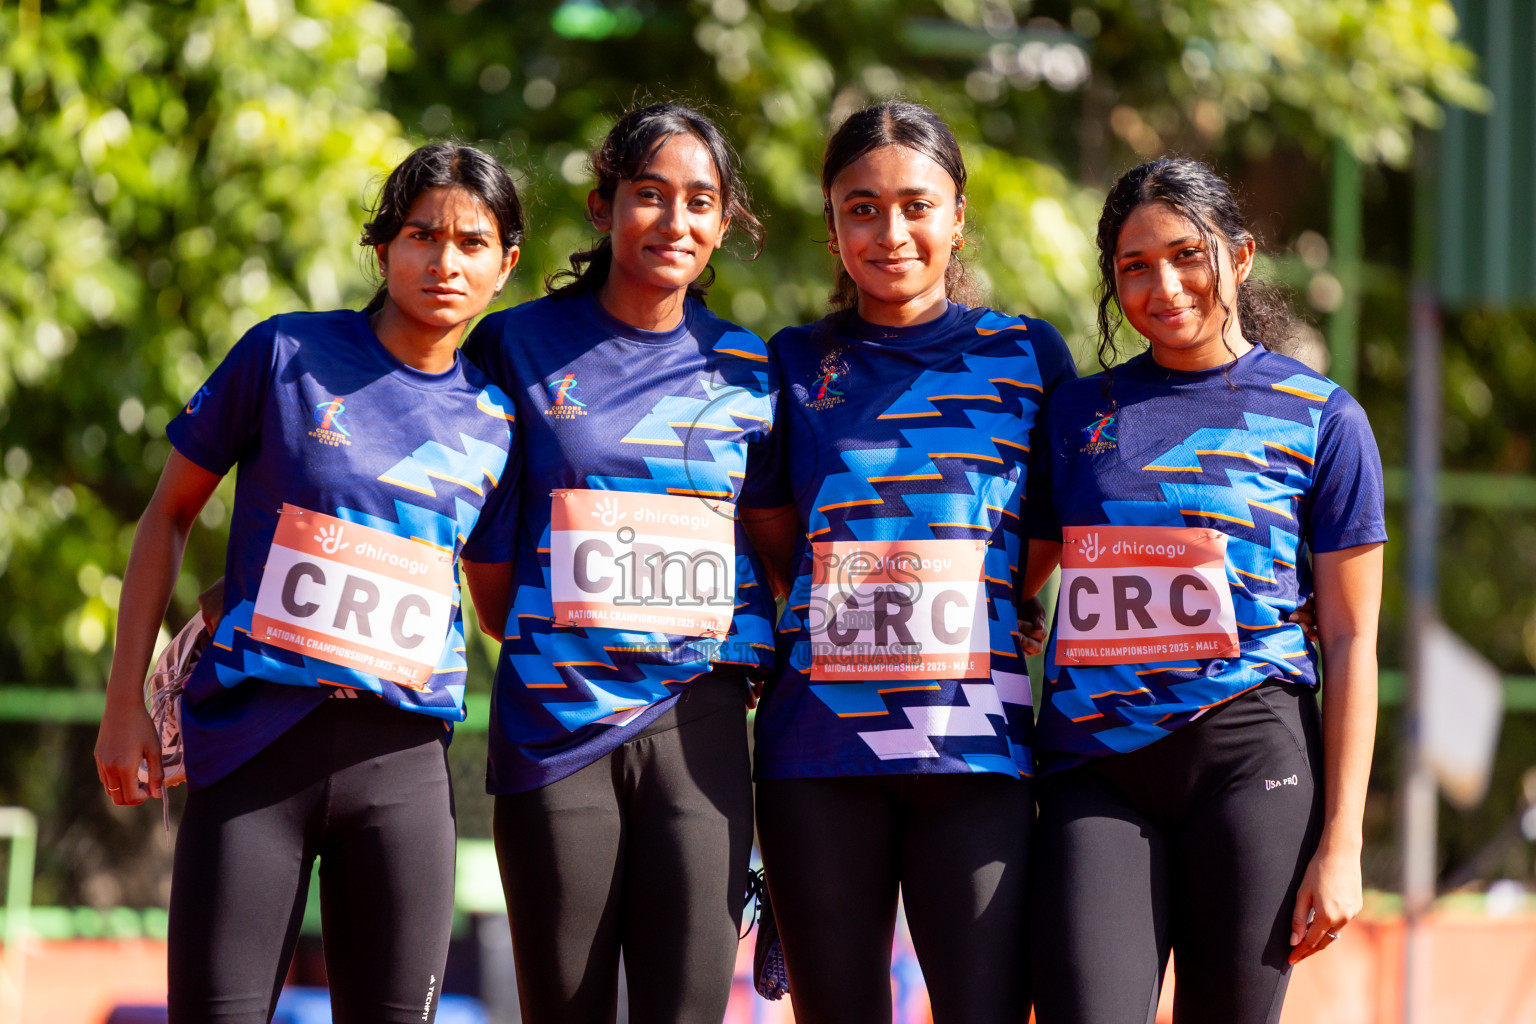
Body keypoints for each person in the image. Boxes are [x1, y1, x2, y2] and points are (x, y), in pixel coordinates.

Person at [93, 143, 524, 1024]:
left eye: (473, 242)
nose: (445, 261)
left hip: (402, 771)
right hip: (253, 752)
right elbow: (167, 515)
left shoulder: (498, 421)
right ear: (381, 250)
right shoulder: (284, 352)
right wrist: (124, 703)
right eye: (421, 235)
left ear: (506, 263)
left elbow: (493, 608)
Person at [1024, 157, 1384, 1024]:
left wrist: (1344, 842)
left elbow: (1351, 640)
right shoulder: (1075, 415)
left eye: (1188, 255)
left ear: (1242, 256)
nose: (1166, 285)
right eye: (1135, 266)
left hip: (1251, 764)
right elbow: (1017, 570)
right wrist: (1020, 609)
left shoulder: (1323, 417)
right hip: (1095, 772)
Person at [740, 100, 1075, 1024]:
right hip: (817, 758)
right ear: (833, 223)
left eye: (917, 206)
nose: (891, 232)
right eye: (862, 208)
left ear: (958, 215)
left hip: (977, 757)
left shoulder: (1027, 354)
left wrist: (995, 596)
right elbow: (775, 537)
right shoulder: (791, 363)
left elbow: (1046, 531)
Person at [458, 102, 776, 1024]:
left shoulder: (750, 369)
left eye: (699, 202)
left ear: (724, 225)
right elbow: (487, 570)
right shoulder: (512, 346)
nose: (674, 222)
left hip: (701, 725)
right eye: (649, 195)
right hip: (556, 730)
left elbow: (776, 540)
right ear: (602, 207)